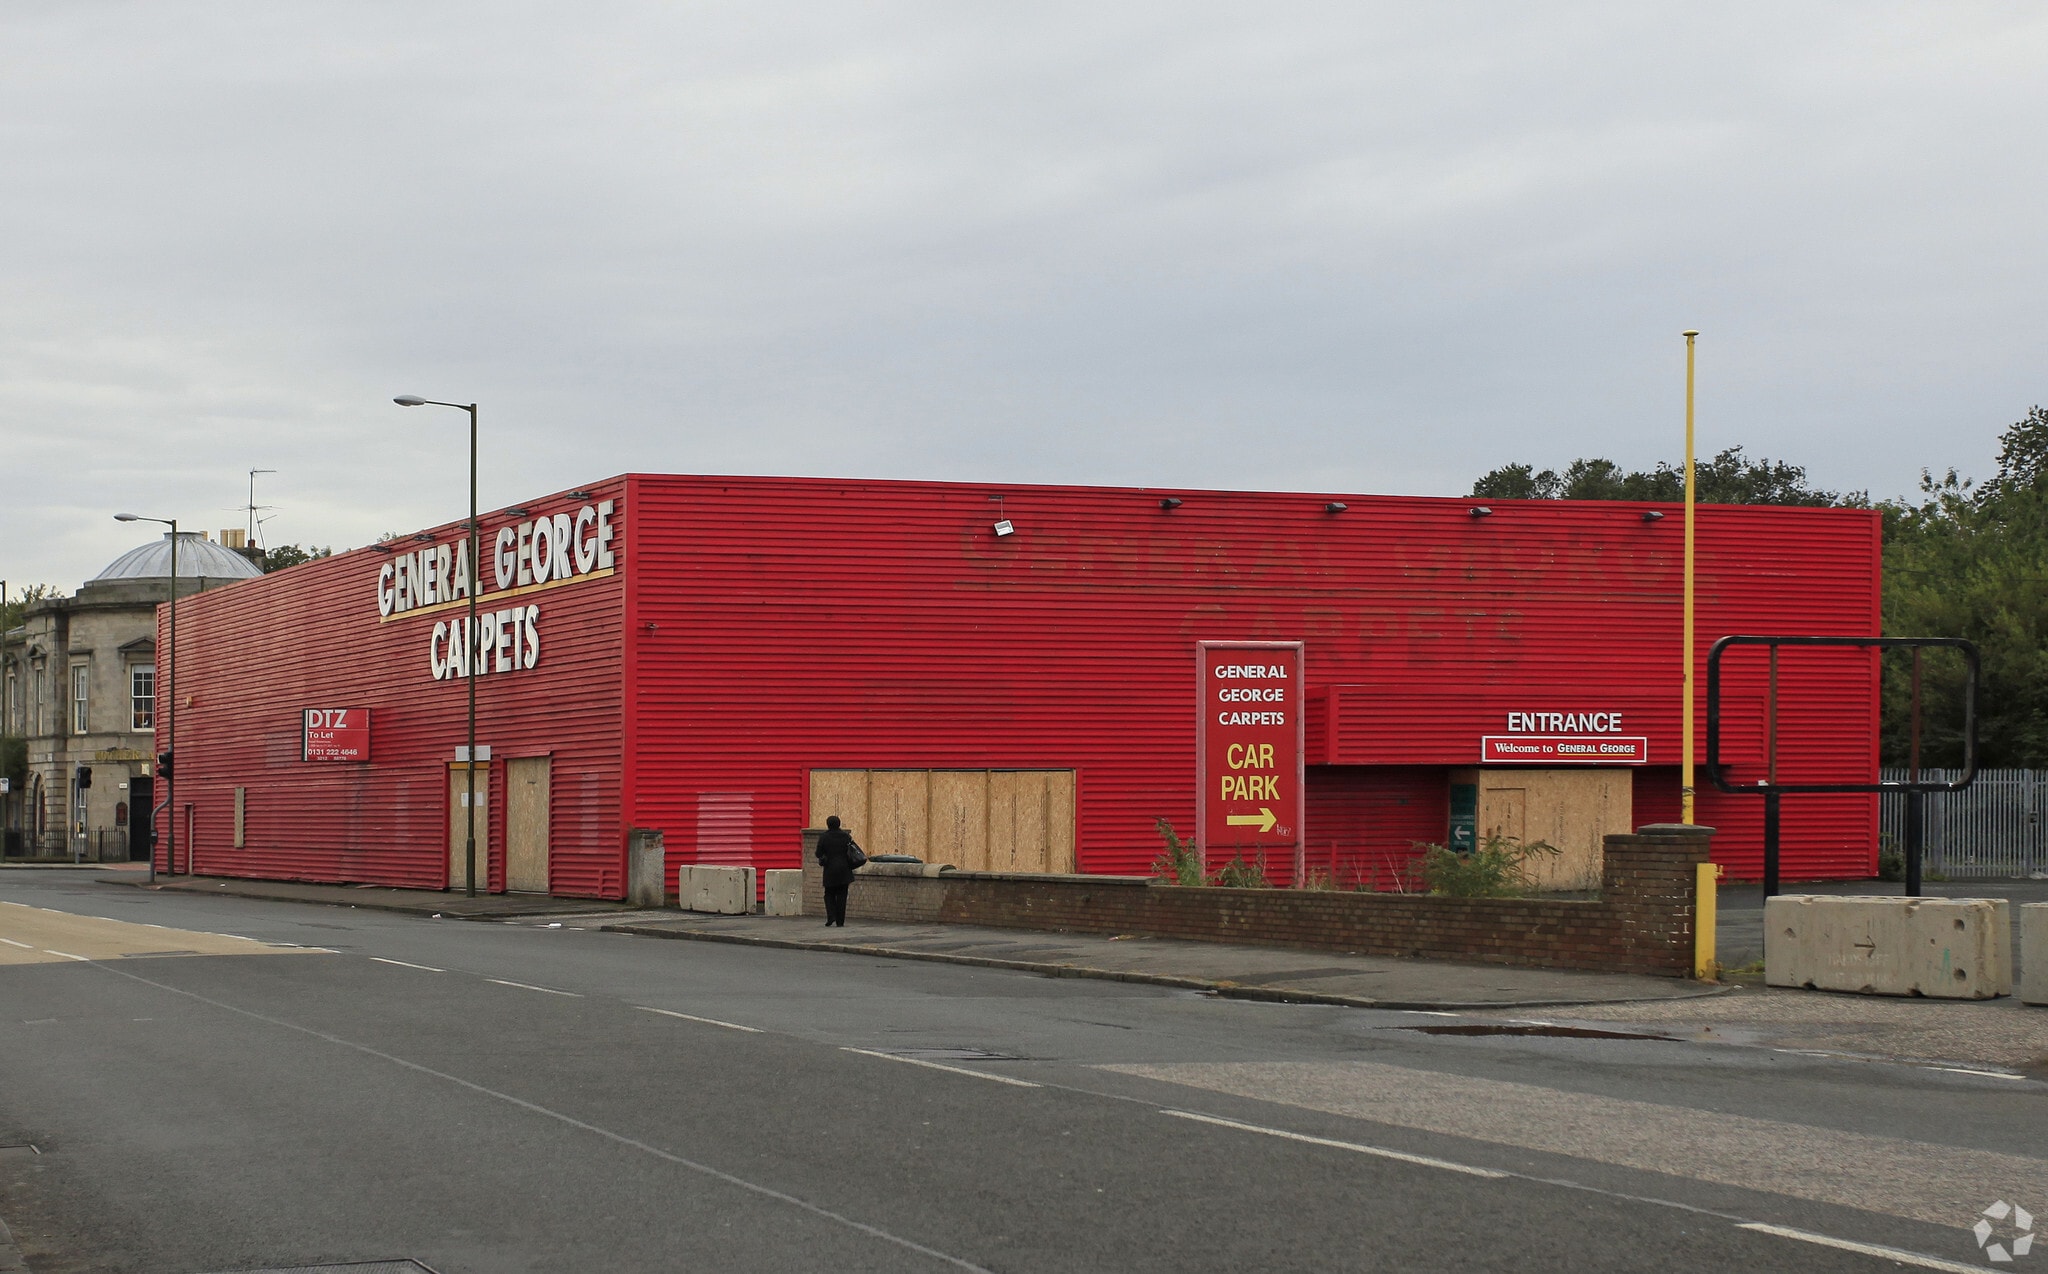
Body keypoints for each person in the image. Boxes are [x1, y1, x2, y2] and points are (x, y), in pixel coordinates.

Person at [814, 814, 862, 926]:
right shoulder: (846, 836)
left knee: (829, 894)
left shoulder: (824, 837)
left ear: (828, 824)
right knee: (842, 895)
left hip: (830, 870)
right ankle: (840, 921)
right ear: (839, 824)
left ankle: (831, 916)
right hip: (844, 870)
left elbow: (818, 853)